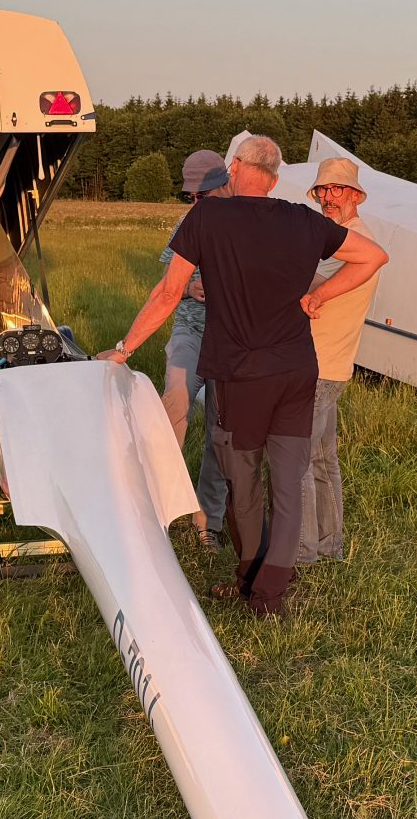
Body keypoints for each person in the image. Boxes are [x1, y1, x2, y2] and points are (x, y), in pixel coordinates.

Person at [102, 134, 387, 616]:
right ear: (274, 180)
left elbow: (168, 293)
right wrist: (320, 296)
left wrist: (124, 349)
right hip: (297, 372)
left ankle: (252, 579)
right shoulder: (303, 220)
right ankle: (270, 593)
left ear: (234, 168)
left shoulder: (207, 218)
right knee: (288, 483)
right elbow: (374, 256)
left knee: (244, 482)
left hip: (240, 375)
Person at [297, 155, 379, 565]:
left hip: (319, 365)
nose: (329, 197)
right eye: (323, 190)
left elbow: (308, 282)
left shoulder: (350, 241)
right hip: (334, 365)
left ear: (355, 196)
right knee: (321, 459)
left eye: (338, 190)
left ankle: (302, 551)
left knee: (295, 460)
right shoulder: (342, 237)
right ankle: (330, 546)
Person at [161, 150, 231, 546]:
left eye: (202, 195)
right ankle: (162, 507)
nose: (196, 202)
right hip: (190, 329)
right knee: (175, 403)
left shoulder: (243, 220)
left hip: (231, 338)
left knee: (222, 428)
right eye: (191, 196)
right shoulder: (187, 222)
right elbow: (167, 278)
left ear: (224, 185)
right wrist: (190, 287)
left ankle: (209, 522)